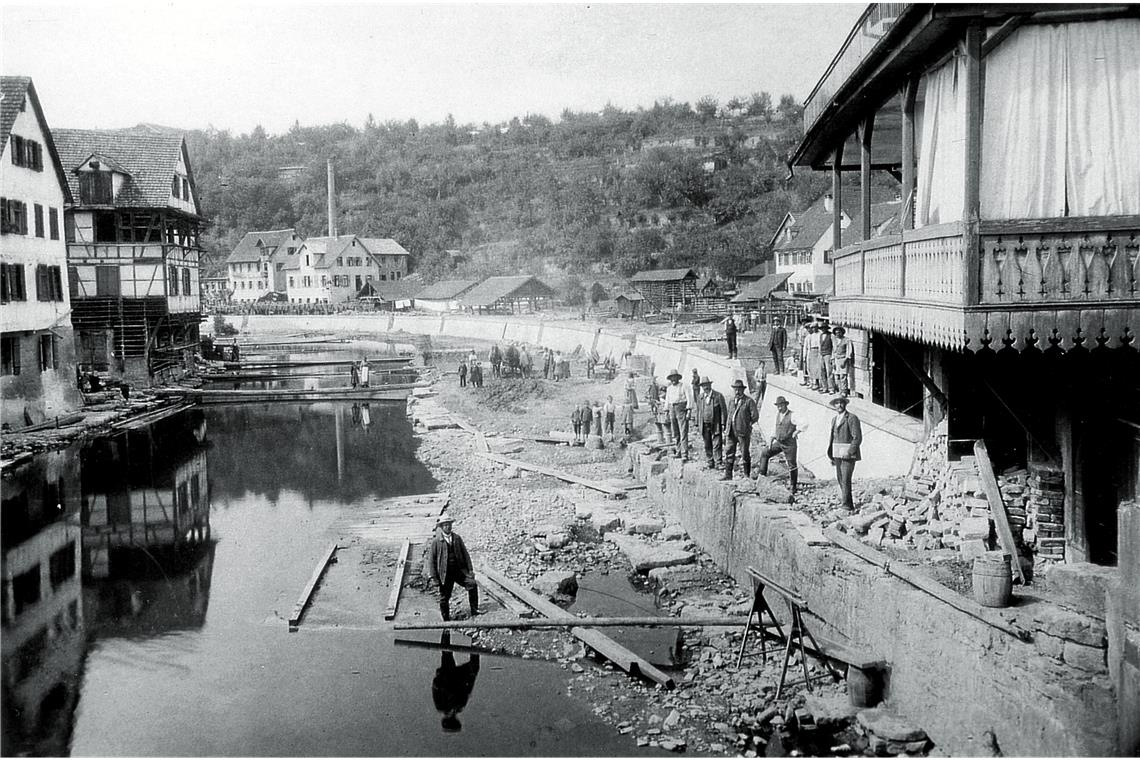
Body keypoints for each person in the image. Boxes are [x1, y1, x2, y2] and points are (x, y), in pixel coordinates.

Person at [428, 514, 479, 621]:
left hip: (459, 571)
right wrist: (434, 577)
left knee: (472, 584)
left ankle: (474, 610)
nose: (448, 527)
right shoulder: (436, 542)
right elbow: (431, 561)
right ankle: (446, 619)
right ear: (441, 527)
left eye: (449, 525)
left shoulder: (457, 538)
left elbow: (465, 554)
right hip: (445, 574)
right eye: (445, 525)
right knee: (444, 597)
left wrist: (470, 570)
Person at [756, 396, 805, 496]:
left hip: (789, 444)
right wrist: (770, 440)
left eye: (781, 406)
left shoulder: (793, 415)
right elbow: (775, 429)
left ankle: (793, 486)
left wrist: (796, 432)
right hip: (779, 442)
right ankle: (762, 477)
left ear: (785, 405)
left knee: (792, 465)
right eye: (778, 406)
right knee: (765, 453)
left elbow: (804, 423)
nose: (779, 408)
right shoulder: (778, 415)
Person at [433, 631, 480, 733]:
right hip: (457, 678)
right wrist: (472, 674)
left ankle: (446, 629)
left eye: (450, 718)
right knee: (474, 665)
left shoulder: (441, 705)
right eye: (453, 718)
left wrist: (439, 678)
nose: (452, 715)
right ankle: (476, 637)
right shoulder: (460, 706)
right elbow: (468, 688)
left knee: (446, 653)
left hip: (447, 676)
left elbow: (435, 686)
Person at [828, 396, 863, 511]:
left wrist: (850, 452)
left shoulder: (852, 418)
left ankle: (846, 506)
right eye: (837, 403)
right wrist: (832, 455)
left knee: (846, 478)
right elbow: (833, 438)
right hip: (837, 454)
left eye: (841, 403)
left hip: (848, 455)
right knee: (840, 478)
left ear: (845, 404)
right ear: (834, 406)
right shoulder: (834, 419)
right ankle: (848, 503)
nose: (839, 405)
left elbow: (857, 438)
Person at [723, 379, 759, 480]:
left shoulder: (748, 401)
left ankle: (746, 475)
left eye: (739, 389)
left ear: (743, 390)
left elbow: (755, 416)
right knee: (729, 451)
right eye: (735, 389)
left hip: (743, 431)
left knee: (744, 453)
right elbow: (729, 415)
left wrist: (747, 424)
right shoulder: (731, 400)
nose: (737, 391)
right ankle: (728, 475)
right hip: (731, 431)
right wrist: (726, 429)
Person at [696, 376, 728, 470]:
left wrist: (723, 423)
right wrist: (698, 423)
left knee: (717, 443)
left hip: (716, 424)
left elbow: (723, 411)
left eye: (707, 385)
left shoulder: (718, 396)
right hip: (704, 424)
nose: (705, 387)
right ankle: (710, 461)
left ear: (710, 385)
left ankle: (718, 462)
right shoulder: (700, 397)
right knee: (707, 443)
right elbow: (698, 411)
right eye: (703, 386)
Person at [664, 368, 694, 459]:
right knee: (675, 432)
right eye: (671, 378)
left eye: (674, 378)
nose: (673, 380)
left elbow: (689, 399)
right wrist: (666, 412)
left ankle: (685, 453)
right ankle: (678, 451)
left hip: (681, 409)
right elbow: (667, 401)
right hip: (672, 409)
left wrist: (689, 411)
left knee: (683, 431)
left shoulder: (684, 386)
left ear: (678, 378)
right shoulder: (669, 389)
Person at [831, 326, 855, 397]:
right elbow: (834, 351)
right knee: (837, 376)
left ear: (842, 333)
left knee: (843, 376)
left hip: (843, 359)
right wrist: (833, 361)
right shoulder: (835, 340)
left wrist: (845, 360)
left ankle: (844, 391)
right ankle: (840, 390)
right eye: (836, 333)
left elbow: (849, 351)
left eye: (839, 332)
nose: (837, 334)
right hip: (836, 359)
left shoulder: (847, 340)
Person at [804, 324, 821, 391]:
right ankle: (811, 382)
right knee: (811, 367)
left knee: (817, 368)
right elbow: (807, 346)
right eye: (812, 328)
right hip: (811, 351)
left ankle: (817, 383)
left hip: (818, 351)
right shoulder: (810, 336)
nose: (813, 329)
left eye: (815, 328)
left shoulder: (820, 334)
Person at [818, 323, 834, 393]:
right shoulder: (821, 335)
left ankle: (831, 388)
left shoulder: (831, 335)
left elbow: (834, 346)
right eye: (822, 328)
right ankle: (825, 387)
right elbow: (820, 345)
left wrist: (832, 356)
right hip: (822, 354)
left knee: (829, 372)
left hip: (828, 354)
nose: (823, 329)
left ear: (827, 328)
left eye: (824, 328)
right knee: (822, 371)